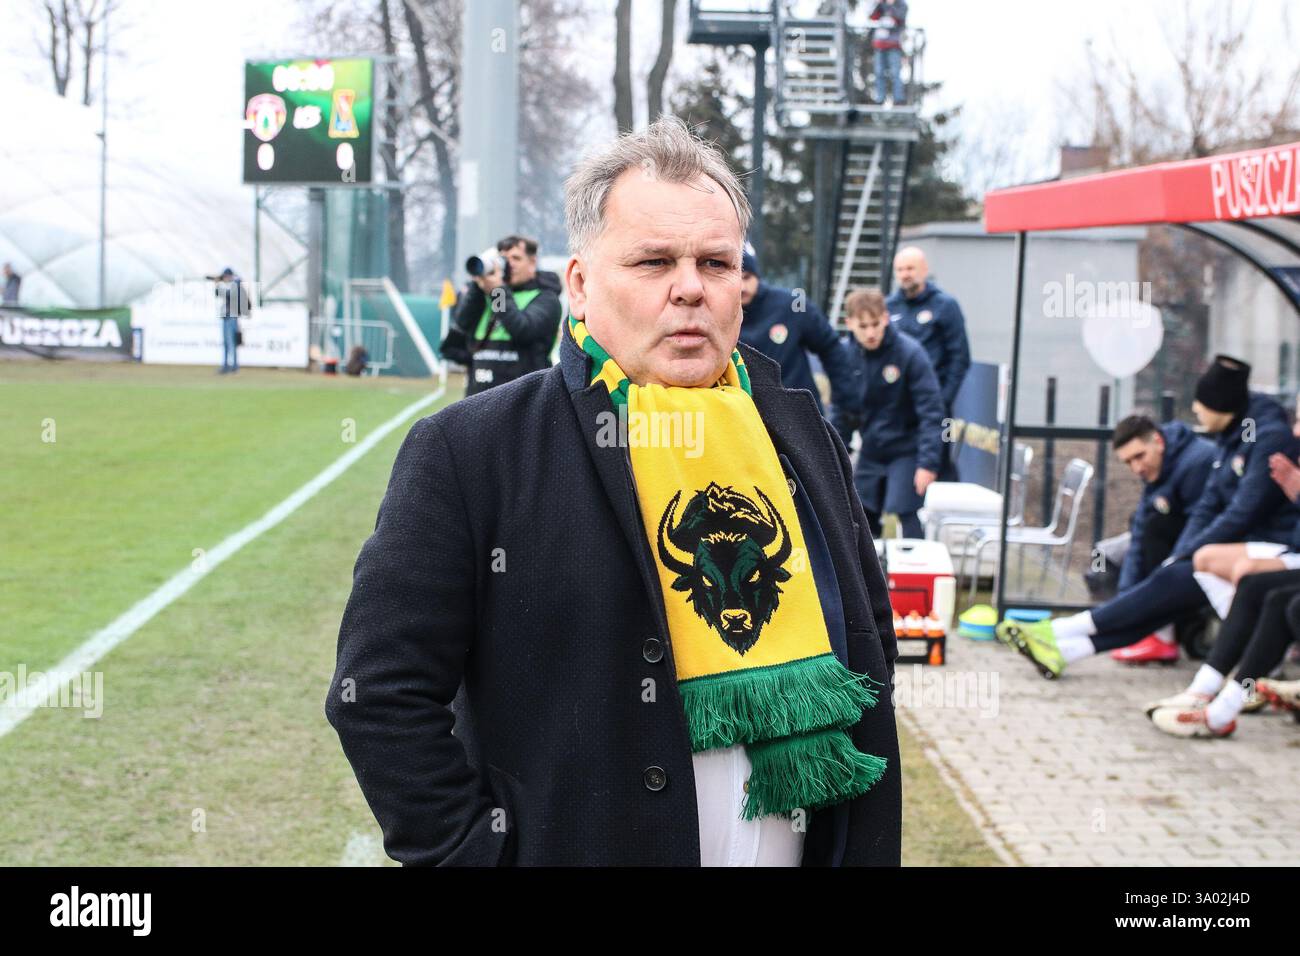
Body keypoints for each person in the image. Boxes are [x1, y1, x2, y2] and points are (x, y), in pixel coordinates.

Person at [326, 116, 901, 867]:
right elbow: (379, 694)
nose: (690, 288)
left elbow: (871, 645)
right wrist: (476, 856)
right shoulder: (472, 451)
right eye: (654, 262)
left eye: (716, 263)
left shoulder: (799, 435)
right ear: (579, 283)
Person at [995, 355, 1299, 679]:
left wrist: (1185, 555)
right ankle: (1065, 649)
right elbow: (1207, 507)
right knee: (1163, 592)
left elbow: (1245, 510)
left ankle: (1057, 631)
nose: (1195, 411)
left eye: (1200, 405)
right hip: (1237, 549)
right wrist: (1180, 556)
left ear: (1219, 406)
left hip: (1268, 549)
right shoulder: (1230, 437)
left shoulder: (1262, 439)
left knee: (1169, 585)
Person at [833, 287, 943, 539]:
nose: (871, 333)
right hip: (871, 450)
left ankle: (915, 573)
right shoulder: (845, 357)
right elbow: (841, 412)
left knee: (906, 512)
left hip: (906, 450)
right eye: (863, 326)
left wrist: (927, 462)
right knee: (859, 515)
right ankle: (869, 576)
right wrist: (837, 456)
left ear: (885, 318)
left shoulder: (910, 353)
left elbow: (931, 411)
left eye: (875, 324)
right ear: (850, 324)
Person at [1106, 414, 1216, 663]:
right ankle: (1152, 629)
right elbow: (1139, 534)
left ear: (1158, 441)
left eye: (1139, 456)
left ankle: (1163, 636)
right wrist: (1125, 602)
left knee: (1158, 528)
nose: (1137, 468)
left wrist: (1168, 575)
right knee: (1142, 525)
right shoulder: (1159, 470)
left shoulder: (1198, 462)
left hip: (1220, 545)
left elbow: (1200, 525)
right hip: (1189, 548)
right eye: (1128, 463)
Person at [738, 247, 857, 417]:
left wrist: (846, 407)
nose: (742, 287)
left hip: (802, 419)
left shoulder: (793, 303)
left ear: (757, 276)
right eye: (736, 279)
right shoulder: (716, 315)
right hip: (749, 420)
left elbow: (831, 347)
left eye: (747, 277)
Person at [888, 246, 970, 480]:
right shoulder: (889, 307)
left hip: (934, 406)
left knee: (937, 467)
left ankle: (944, 512)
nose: (905, 274)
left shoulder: (945, 305)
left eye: (910, 268)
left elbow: (960, 357)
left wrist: (943, 400)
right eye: (900, 269)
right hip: (898, 409)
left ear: (924, 270)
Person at [448, 235, 563, 397]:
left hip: (524, 399)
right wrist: (477, 285)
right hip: (478, 396)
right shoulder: (488, 293)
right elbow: (462, 324)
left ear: (532, 263)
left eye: (516, 258)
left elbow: (522, 330)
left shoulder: (546, 298)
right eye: (503, 258)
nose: (509, 264)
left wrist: (498, 291)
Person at [209, 267, 249, 375]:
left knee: (232, 343)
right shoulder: (231, 285)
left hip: (232, 317)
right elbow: (218, 294)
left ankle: (234, 366)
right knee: (226, 343)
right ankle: (226, 365)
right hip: (226, 317)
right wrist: (218, 283)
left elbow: (226, 293)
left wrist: (219, 282)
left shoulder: (235, 285)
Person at [867, 1, 908, 106]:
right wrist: (879, 4)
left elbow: (900, 18)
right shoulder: (880, 5)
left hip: (894, 44)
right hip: (880, 45)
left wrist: (890, 6)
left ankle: (898, 99)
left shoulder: (901, 5)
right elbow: (872, 17)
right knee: (879, 72)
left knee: (895, 73)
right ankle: (880, 99)